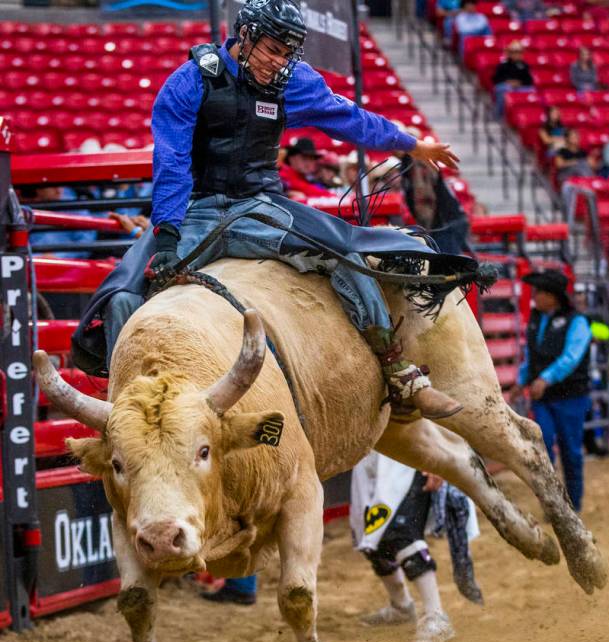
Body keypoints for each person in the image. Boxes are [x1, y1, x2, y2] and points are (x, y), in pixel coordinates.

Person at [71, 0, 464, 423]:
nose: (278, 62)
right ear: (245, 36)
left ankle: (397, 369)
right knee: (124, 292)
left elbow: (349, 118)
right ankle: (123, 408)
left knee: (344, 250)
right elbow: (171, 163)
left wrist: (411, 144)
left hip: (260, 206)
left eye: (286, 54)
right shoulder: (189, 82)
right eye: (272, 49)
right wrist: (166, 235)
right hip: (196, 209)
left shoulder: (291, 82)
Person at [350, 451, 483, 642]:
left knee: (400, 531)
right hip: (368, 454)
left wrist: (436, 459)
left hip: (412, 451)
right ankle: (401, 606)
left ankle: (436, 615)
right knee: (370, 539)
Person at [509, 271, 592, 511]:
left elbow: (571, 358)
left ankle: (573, 503)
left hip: (571, 395)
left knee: (571, 450)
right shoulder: (536, 319)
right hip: (544, 396)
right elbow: (531, 357)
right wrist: (522, 380)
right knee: (542, 446)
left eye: (540, 293)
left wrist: (544, 379)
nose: (535, 297)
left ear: (553, 297)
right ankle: (554, 503)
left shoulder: (577, 321)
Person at [492, 41, 534, 117]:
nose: (517, 54)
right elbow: (496, 79)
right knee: (505, 89)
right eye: (515, 52)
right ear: (510, 53)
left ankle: (526, 115)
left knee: (531, 90)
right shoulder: (503, 65)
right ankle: (499, 115)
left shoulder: (524, 66)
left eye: (519, 52)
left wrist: (519, 83)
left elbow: (529, 81)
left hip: (520, 87)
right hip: (505, 86)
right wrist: (508, 82)